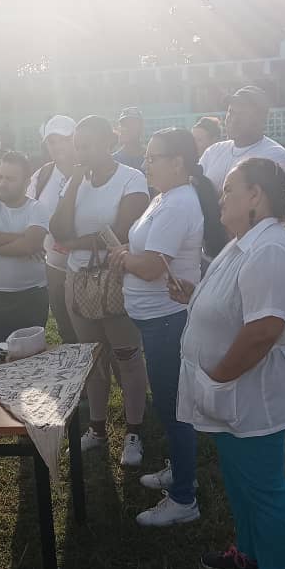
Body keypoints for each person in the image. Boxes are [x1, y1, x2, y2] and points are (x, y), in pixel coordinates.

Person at [171, 156, 285, 569]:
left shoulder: (269, 249)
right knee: (241, 481)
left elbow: (263, 329)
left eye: (230, 188)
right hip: (233, 395)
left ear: (256, 196)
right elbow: (233, 303)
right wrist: (195, 296)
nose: (221, 197)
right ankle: (249, 553)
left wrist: (217, 379)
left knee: (266, 489)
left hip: (250, 394)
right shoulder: (242, 245)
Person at [107, 128, 227, 526]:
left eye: (153, 156)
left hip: (167, 320)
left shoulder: (177, 204)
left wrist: (123, 258)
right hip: (156, 318)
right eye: (146, 155)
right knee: (172, 401)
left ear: (178, 162)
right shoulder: (165, 197)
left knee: (174, 406)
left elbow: (153, 265)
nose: (146, 162)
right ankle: (180, 469)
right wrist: (129, 254)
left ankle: (183, 498)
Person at [50, 115, 150, 465]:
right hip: (78, 280)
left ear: (109, 144)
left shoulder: (131, 179)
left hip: (117, 279)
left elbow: (121, 233)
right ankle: (97, 428)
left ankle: (135, 432)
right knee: (92, 358)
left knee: (127, 355)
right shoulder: (75, 181)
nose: (80, 152)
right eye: (77, 145)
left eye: (87, 145)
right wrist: (75, 184)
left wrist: (72, 243)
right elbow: (56, 227)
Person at [0, 151, 50, 342]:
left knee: (28, 362)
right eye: (0, 176)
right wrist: (20, 238)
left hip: (31, 298)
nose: (2, 183)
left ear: (27, 182)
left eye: (10, 179)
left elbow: (29, 246)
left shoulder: (36, 208)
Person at [29, 115, 79, 344]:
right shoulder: (42, 176)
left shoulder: (90, 173)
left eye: (64, 139)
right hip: (55, 266)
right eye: (52, 141)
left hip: (88, 266)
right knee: (66, 328)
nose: (58, 146)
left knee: (95, 331)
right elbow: (28, 212)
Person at [199, 86, 285, 194]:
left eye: (242, 114)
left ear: (261, 120)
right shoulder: (213, 151)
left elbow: (252, 202)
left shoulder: (273, 155)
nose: (233, 120)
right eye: (231, 112)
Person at [113, 107, 146, 172]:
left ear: (141, 128)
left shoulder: (151, 158)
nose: (126, 128)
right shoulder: (113, 160)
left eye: (132, 124)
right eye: (124, 125)